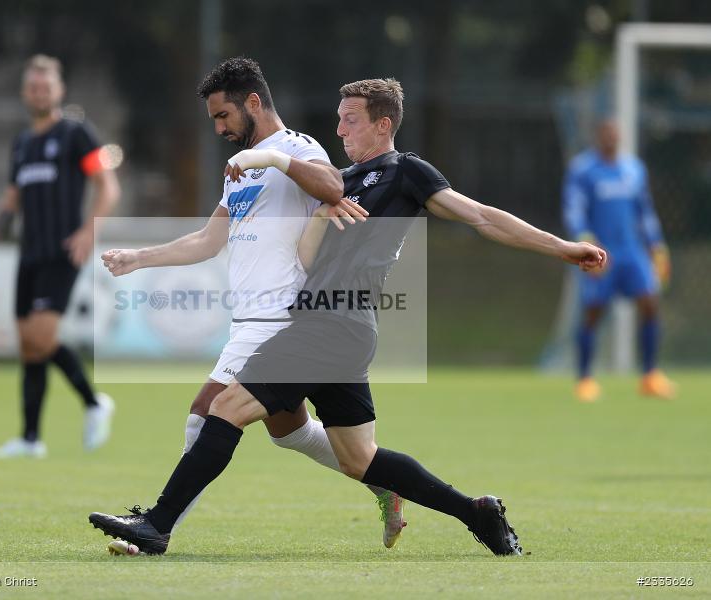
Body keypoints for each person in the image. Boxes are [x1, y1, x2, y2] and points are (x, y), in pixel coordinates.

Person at [89, 78, 607, 556]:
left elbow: (481, 216)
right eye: (337, 119)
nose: (339, 129)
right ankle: (477, 513)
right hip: (337, 327)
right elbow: (311, 260)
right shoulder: (343, 182)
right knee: (360, 459)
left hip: (329, 324)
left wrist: (563, 247)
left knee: (224, 408)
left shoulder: (405, 170)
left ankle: (155, 526)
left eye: (351, 119)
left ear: (384, 124)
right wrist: (319, 215)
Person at [100, 57, 405, 546]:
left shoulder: (297, 147)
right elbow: (207, 240)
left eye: (223, 116)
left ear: (254, 102)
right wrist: (140, 258)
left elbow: (334, 187)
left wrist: (272, 160)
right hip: (250, 320)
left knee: (205, 412)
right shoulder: (238, 169)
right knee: (291, 433)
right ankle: (385, 482)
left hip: (282, 317)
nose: (219, 128)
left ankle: (154, 528)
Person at [0, 54, 120, 458]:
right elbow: (10, 198)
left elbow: (108, 186)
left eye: (46, 86)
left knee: (42, 337)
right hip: (29, 253)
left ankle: (95, 404)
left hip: (62, 251)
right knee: (28, 345)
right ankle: (30, 439)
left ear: (59, 91)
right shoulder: (22, 143)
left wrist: (89, 231)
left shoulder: (76, 134)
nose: (39, 92)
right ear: (25, 92)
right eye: (33, 86)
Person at [563, 118, 675, 402]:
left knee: (650, 304)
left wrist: (656, 245)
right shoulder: (583, 170)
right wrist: (584, 237)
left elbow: (644, 211)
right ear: (598, 136)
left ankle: (650, 375)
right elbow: (574, 209)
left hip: (632, 252)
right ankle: (585, 379)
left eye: (615, 133)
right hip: (601, 252)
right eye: (606, 133)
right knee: (593, 311)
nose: (611, 137)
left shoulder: (633, 169)